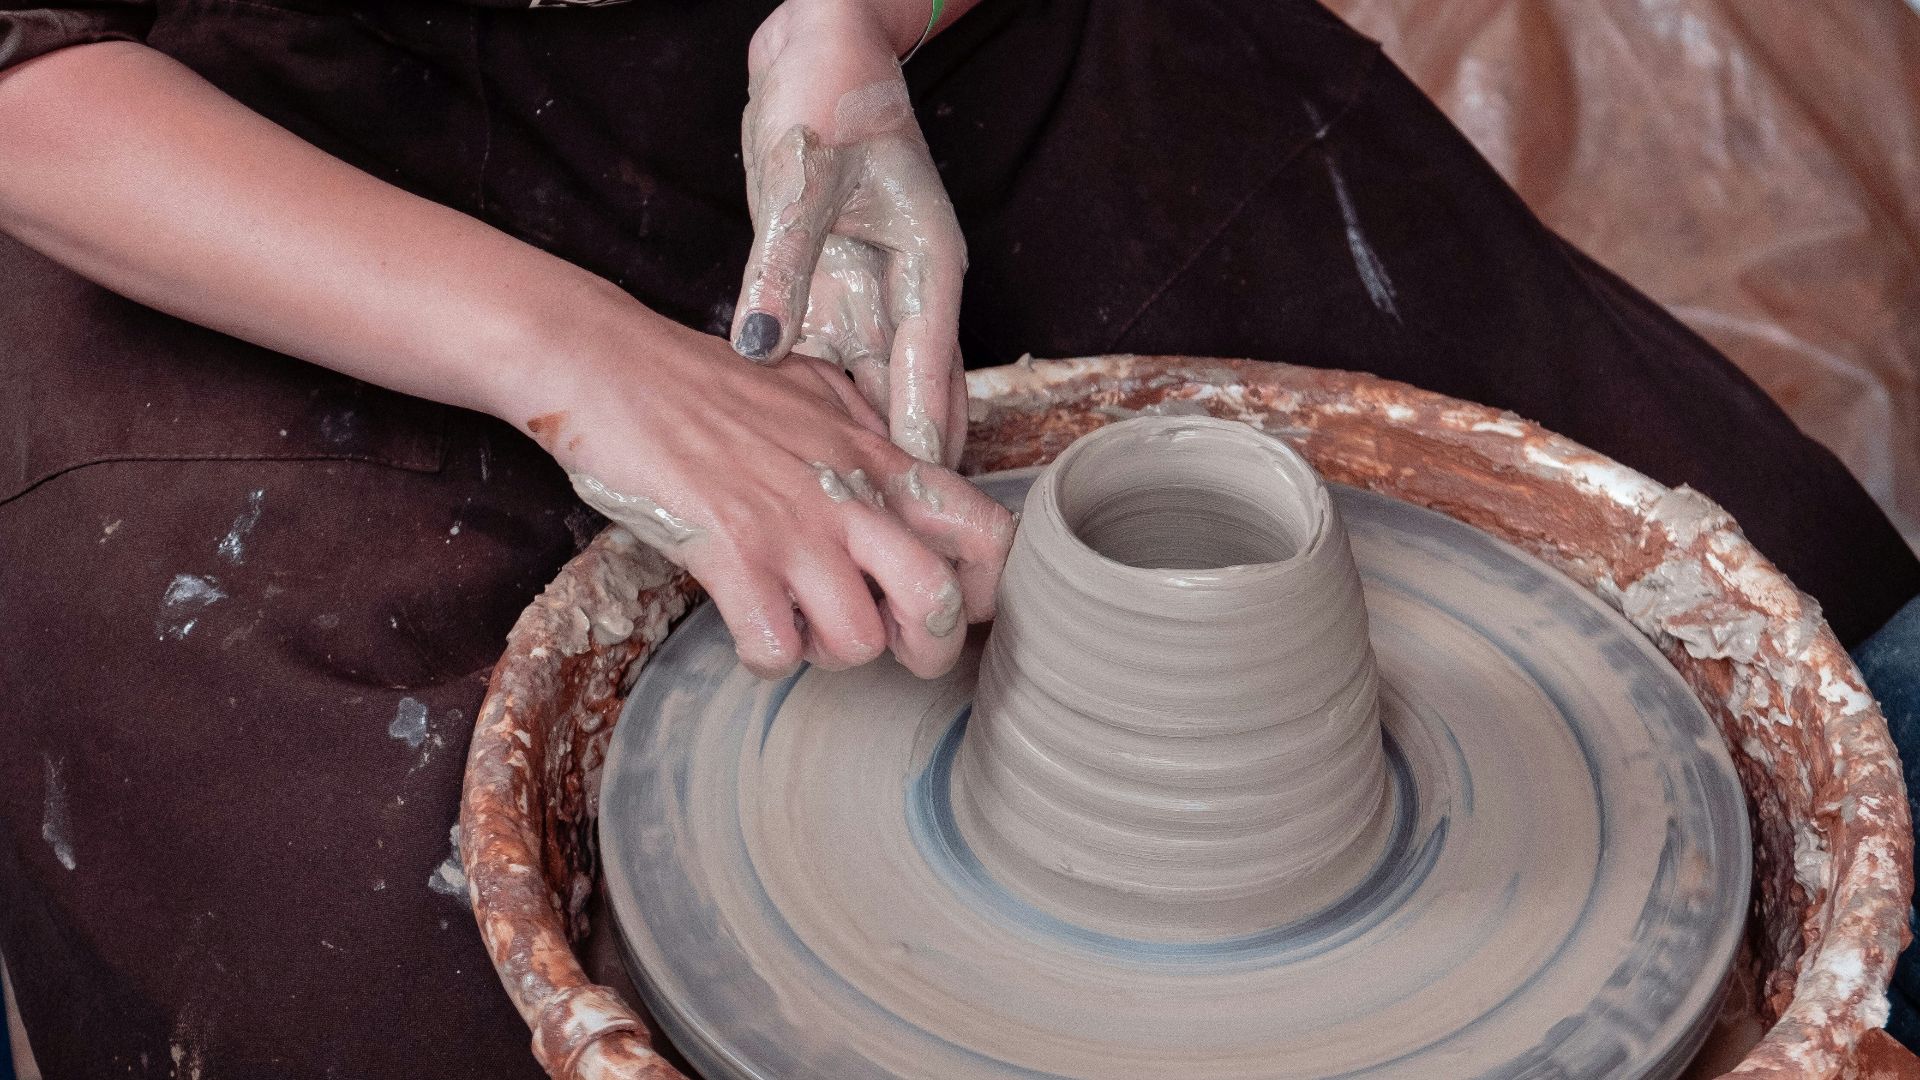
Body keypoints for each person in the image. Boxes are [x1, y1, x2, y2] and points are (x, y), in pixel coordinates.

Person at [0, 1, 1914, 1076]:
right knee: (376, 937)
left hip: (845, 75)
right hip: (269, 168)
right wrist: (583, 361)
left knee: (1685, 656)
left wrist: (851, 25)